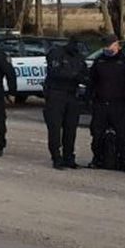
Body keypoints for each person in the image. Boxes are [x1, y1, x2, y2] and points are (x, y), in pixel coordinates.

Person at [86, 34, 125, 173]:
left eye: (109, 45)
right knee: (97, 135)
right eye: (105, 45)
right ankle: (97, 159)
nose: (106, 48)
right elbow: (91, 82)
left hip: (120, 106)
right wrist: (88, 100)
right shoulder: (99, 61)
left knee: (123, 137)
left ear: (117, 45)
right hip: (101, 104)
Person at [44, 37, 88, 169]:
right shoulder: (56, 54)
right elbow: (55, 72)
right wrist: (75, 75)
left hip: (72, 95)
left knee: (71, 128)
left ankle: (69, 157)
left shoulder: (79, 57)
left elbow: (84, 74)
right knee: (55, 128)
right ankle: (56, 157)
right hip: (56, 94)